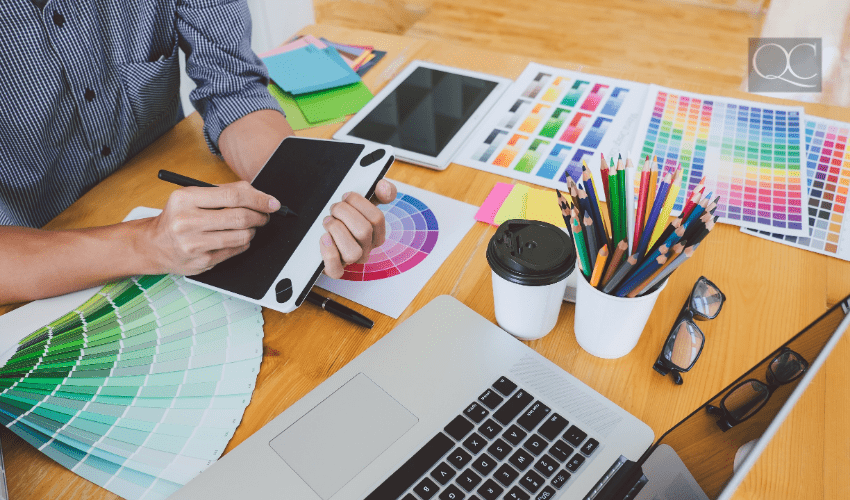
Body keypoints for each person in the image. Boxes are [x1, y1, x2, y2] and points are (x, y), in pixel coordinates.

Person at [0, 0, 395, 305]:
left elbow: (232, 85)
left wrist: (306, 189)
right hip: (30, 261)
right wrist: (147, 243)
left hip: (164, 199)